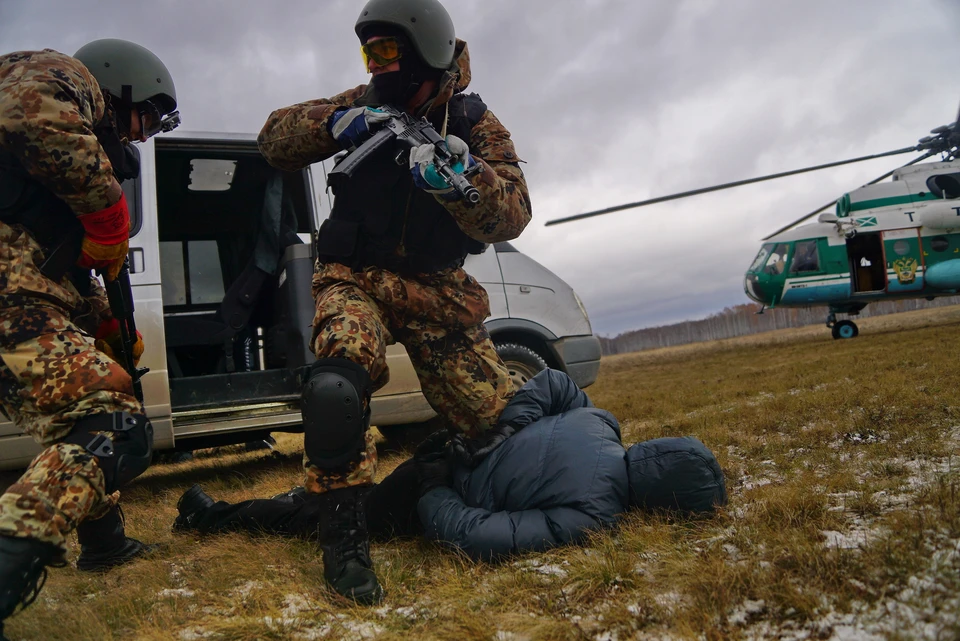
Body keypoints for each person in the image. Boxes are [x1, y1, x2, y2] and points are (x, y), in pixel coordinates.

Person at [256, 0, 531, 603]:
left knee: (504, 427)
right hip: (355, 275)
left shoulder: (476, 122)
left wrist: (464, 181)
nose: (378, 68)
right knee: (338, 379)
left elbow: (511, 216)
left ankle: (437, 481)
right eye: (371, 54)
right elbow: (273, 140)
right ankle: (344, 538)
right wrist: (336, 124)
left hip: (436, 290)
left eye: (389, 55)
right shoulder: (365, 100)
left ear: (428, 54)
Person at [173, 370, 727, 563]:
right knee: (325, 518)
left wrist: (501, 429)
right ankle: (211, 517)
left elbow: (556, 384)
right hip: (436, 480)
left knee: (338, 504)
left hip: (448, 453)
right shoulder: (594, 513)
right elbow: (479, 535)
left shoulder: (600, 424)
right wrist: (438, 493)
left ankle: (253, 508)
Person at [0, 39, 178, 633]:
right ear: (116, 85)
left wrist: (101, 319)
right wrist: (108, 218)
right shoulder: (60, 75)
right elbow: (28, 109)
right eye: (145, 118)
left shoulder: (36, 179)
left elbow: (59, 257)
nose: (140, 138)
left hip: (28, 295)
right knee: (115, 426)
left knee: (76, 424)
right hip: (10, 297)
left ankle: (105, 545)